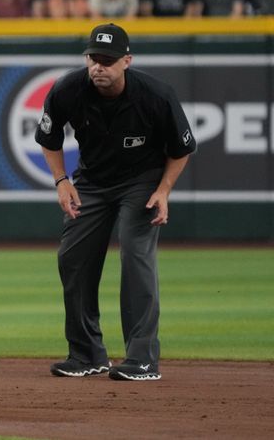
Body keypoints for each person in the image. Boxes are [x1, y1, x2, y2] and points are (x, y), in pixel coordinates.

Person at [35, 23, 196, 381]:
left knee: (135, 253)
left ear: (127, 61)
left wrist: (164, 190)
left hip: (141, 182)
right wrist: (61, 180)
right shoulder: (68, 89)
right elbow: (49, 136)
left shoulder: (155, 95)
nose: (98, 67)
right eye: (94, 58)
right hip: (91, 182)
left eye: (107, 60)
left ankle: (142, 358)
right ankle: (87, 354)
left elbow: (182, 148)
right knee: (72, 257)